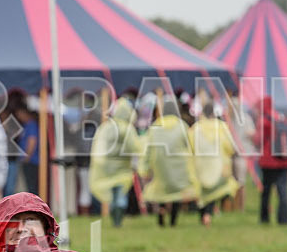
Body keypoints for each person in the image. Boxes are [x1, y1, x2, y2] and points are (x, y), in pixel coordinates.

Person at [138, 95, 200, 227]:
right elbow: (191, 146)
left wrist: (145, 169)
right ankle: (173, 220)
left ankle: (161, 211)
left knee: (162, 189)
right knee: (176, 192)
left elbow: (148, 149)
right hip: (179, 166)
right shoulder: (182, 126)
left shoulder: (155, 126)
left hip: (160, 166)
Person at [89, 98, 141, 227]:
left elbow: (98, 146)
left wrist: (99, 163)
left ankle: (116, 221)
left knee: (113, 196)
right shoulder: (128, 129)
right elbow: (135, 147)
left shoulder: (106, 127)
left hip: (106, 169)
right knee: (121, 196)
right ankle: (118, 221)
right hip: (122, 170)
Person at [189, 103, 238, 227]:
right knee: (214, 190)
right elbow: (230, 147)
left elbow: (189, 147)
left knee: (202, 190)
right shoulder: (221, 127)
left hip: (200, 164)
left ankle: (204, 214)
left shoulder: (196, 128)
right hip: (217, 164)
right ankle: (208, 214)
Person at [256, 96, 287, 225]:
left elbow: (258, 140)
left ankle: (264, 218)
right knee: (283, 190)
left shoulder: (264, 120)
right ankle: (283, 219)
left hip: (268, 161)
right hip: (284, 160)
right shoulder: (281, 118)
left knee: (266, 191)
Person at [17, 107, 39, 195]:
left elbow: (32, 141)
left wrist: (27, 157)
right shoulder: (26, 125)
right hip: (28, 160)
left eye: (19, 115)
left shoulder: (31, 124)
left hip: (31, 161)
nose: (19, 117)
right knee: (29, 186)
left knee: (32, 187)